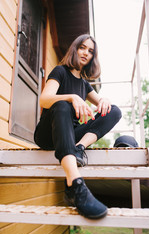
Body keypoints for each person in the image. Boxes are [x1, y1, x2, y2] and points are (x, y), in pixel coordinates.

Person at [34, 34, 122, 219]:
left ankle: (80, 147)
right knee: (62, 104)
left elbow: (104, 106)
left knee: (114, 111)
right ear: (75, 48)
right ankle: (75, 184)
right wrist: (71, 97)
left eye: (90, 51)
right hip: (47, 134)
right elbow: (44, 99)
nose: (86, 53)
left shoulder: (84, 84)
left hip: (70, 136)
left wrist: (104, 99)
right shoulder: (60, 71)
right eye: (82, 47)